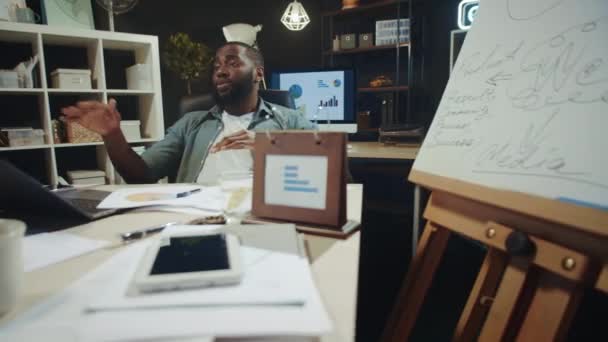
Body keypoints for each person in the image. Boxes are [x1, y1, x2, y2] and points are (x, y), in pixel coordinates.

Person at [61, 42, 315, 184]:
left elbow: (336, 172)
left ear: (258, 72)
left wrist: (272, 145)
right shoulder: (192, 123)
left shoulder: (288, 120)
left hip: (263, 216)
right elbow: (141, 175)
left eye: (233, 62)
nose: (221, 70)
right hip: (195, 219)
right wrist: (113, 134)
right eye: (217, 65)